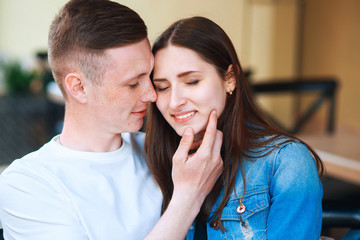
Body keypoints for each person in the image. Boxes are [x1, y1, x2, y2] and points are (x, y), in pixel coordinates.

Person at [0, 1, 223, 239]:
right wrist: (188, 198)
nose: (151, 94)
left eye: (150, 77)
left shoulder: (165, 151)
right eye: (133, 83)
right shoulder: (27, 185)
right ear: (79, 87)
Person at [145, 16, 324, 239]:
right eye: (162, 87)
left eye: (192, 81)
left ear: (230, 78)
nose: (174, 101)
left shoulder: (286, 162)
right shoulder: (150, 158)